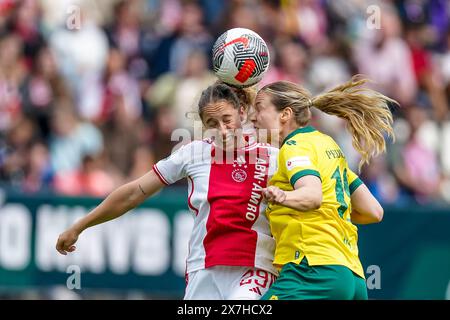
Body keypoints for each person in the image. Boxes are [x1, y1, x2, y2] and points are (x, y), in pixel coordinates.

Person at [56, 82, 278, 300]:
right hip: (203, 268)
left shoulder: (273, 155)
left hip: (253, 268)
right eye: (212, 123)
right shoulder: (192, 154)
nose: (222, 130)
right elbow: (134, 192)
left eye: (227, 120)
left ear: (241, 112)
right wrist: (80, 225)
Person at [251, 76, 395, 300]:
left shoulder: (294, 147)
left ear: (285, 114)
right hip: (352, 277)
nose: (253, 117)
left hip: (312, 269)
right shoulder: (328, 145)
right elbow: (373, 211)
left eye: (260, 108)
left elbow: (312, 195)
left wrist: (283, 197)